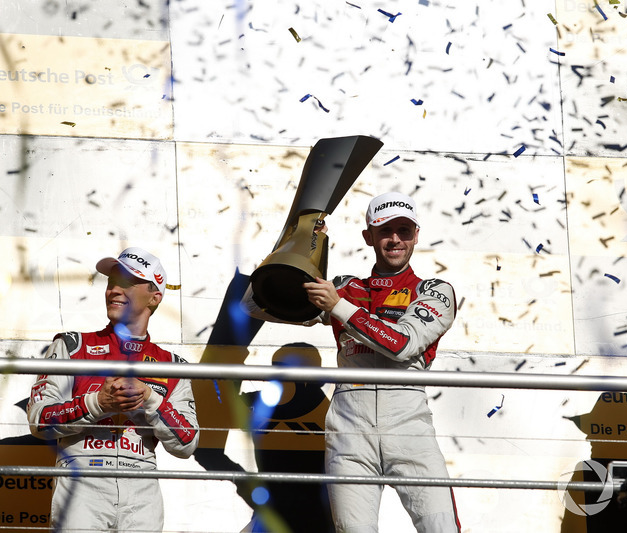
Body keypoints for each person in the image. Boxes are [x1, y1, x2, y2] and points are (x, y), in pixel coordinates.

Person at [244, 191, 460, 532]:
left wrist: (338, 308)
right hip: (349, 430)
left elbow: (402, 345)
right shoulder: (344, 287)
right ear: (368, 237)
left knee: (441, 527)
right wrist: (297, 241)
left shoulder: (433, 290)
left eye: (404, 231)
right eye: (385, 231)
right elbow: (256, 305)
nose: (395, 240)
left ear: (416, 235)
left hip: (409, 425)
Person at [27, 247, 199, 532]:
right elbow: (38, 420)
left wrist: (150, 398)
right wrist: (99, 403)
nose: (114, 290)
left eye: (128, 283)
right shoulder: (74, 346)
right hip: (82, 480)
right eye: (111, 282)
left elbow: (187, 443)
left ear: (155, 297)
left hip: (142, 486)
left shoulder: (172, 365)